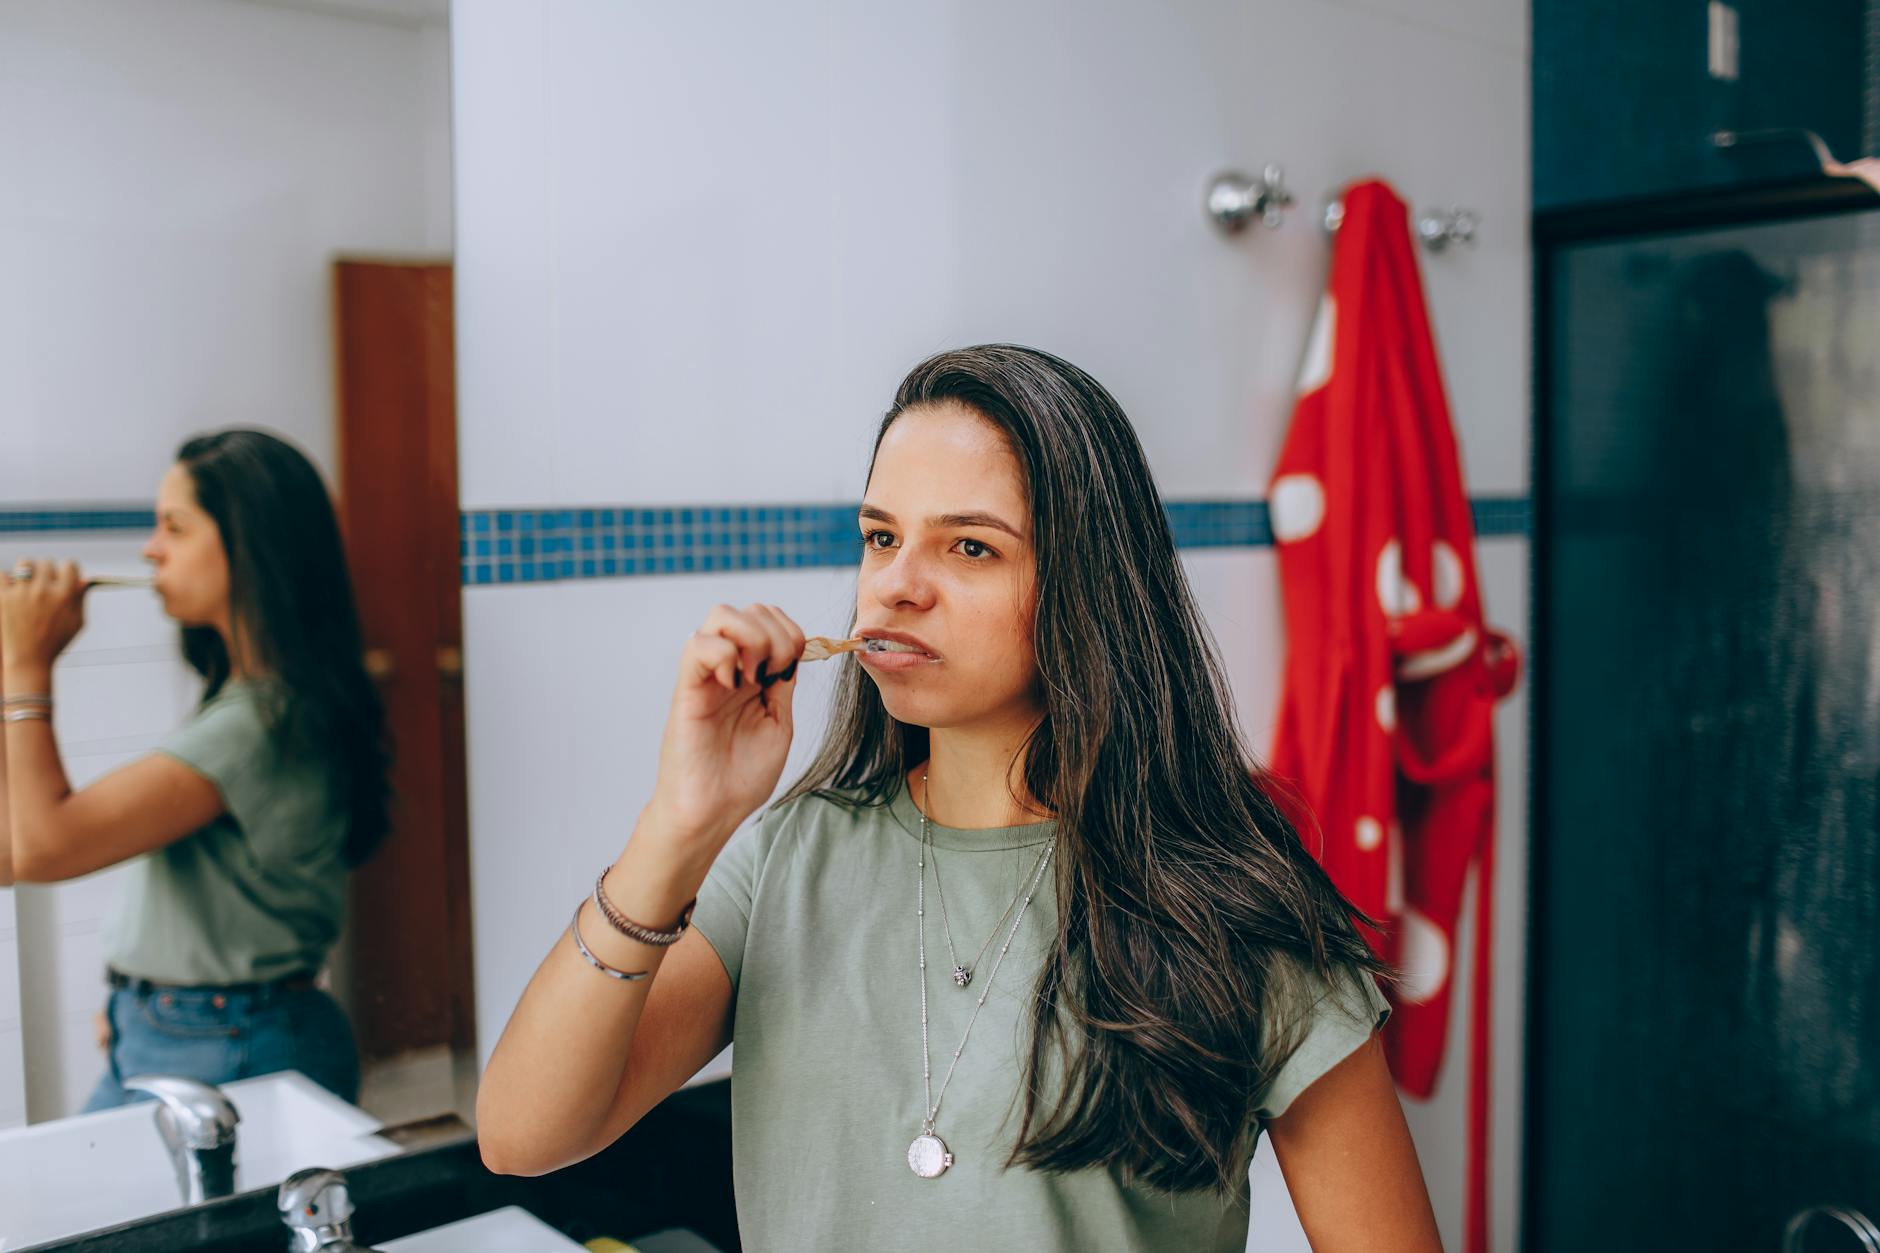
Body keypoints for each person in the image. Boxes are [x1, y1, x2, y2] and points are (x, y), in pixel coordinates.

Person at [478, 346, 1443, 1251]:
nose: (893, 587)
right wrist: (677, 827)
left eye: (969, 548)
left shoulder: (1229, 902)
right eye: (880, 536)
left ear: (1089, 584)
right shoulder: (789, 860)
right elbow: (522, 1134)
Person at [0, 429, 391, 1111]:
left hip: (224, 1038)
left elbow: (42, 847)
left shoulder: (260, 727)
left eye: (174, 527)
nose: (151, 549)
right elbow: (15, 849)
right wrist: (139, 1002)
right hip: (185, 1030)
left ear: (250, 545)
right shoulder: (256, 707)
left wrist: (27, 667)